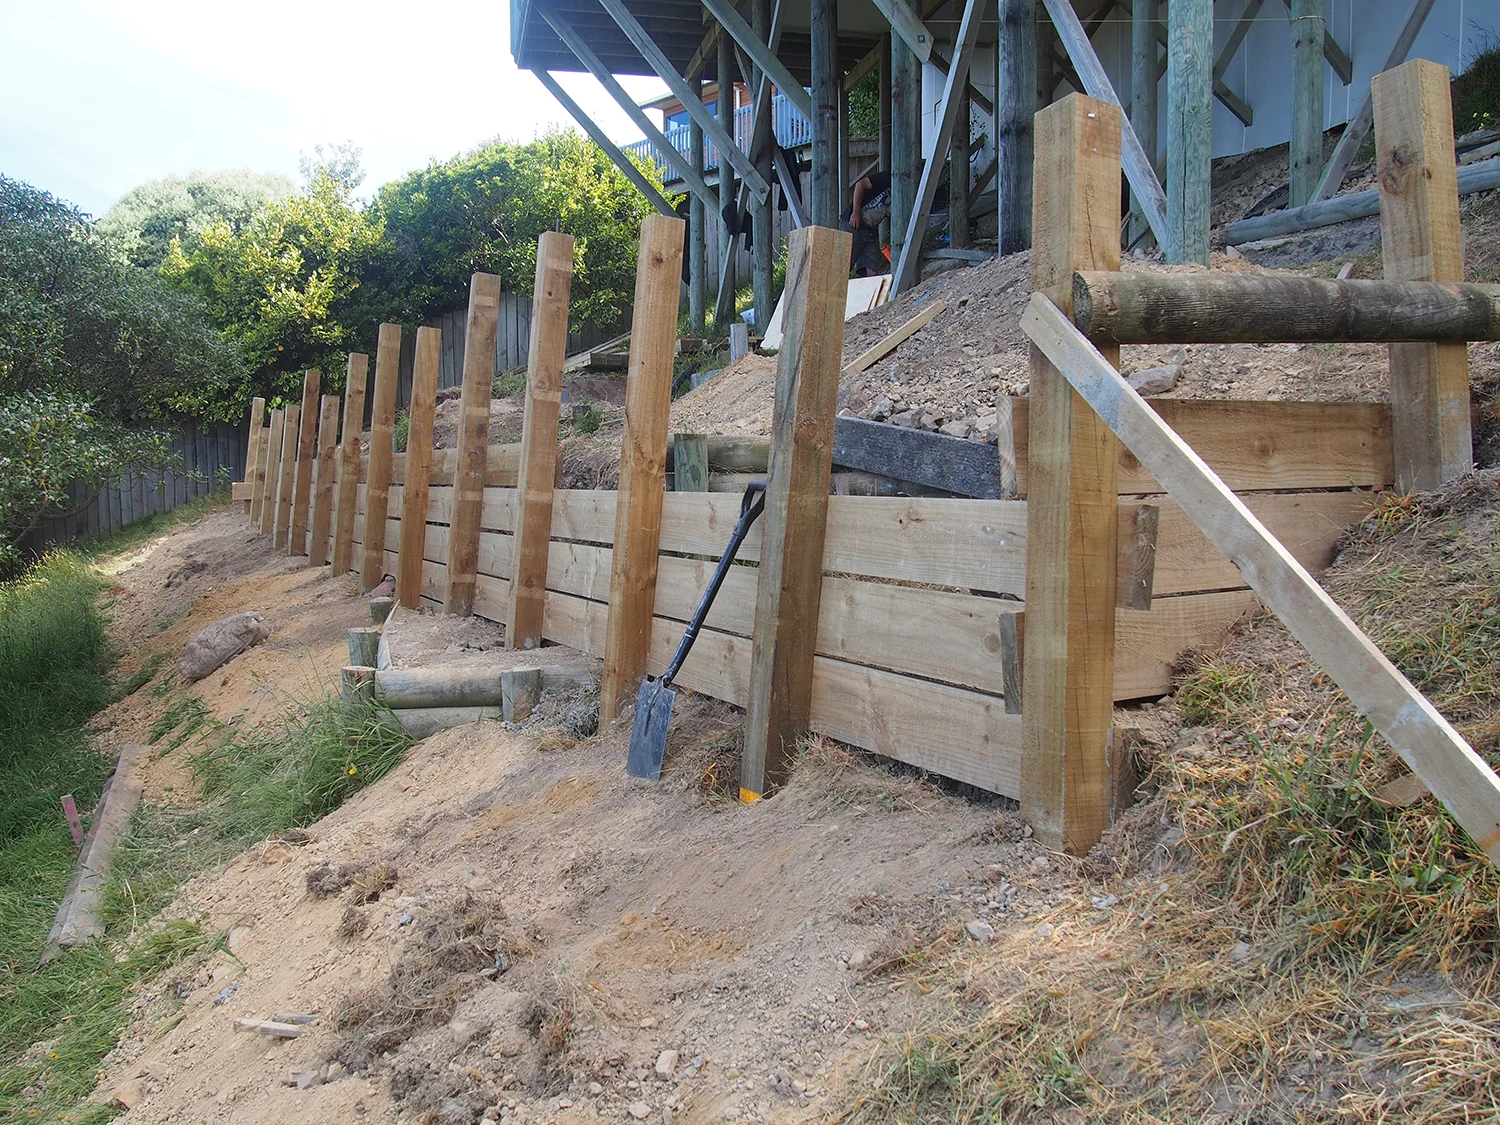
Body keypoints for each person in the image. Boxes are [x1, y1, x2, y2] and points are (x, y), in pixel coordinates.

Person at [841, 169, 892, 276]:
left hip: (871, 230)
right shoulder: (888, 177)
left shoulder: (907, 195)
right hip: (853, 224)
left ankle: (870, 292)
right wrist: (855, 212)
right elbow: (860, 184)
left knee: (872, 270)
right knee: (843, 267)